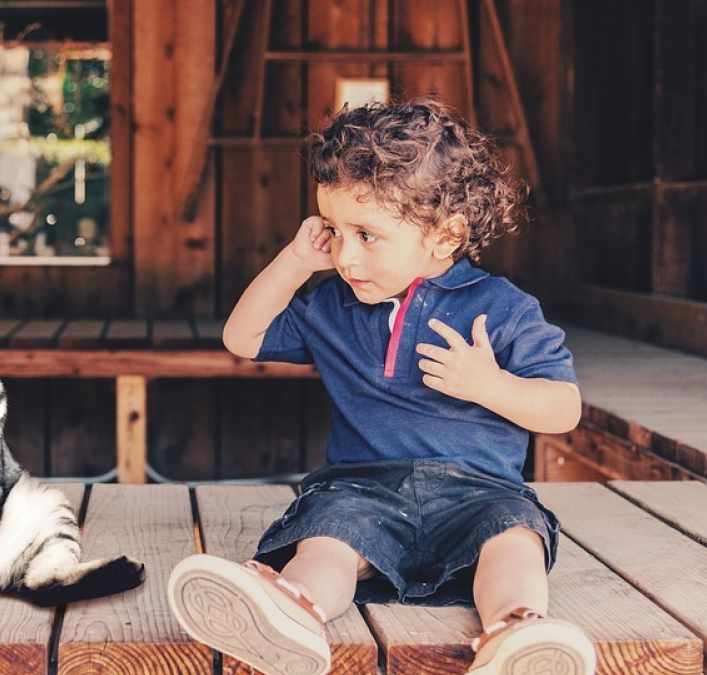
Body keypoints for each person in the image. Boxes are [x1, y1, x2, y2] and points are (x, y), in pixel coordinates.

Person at [167, 99, 597, 675]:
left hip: (480, 494)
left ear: (446, 236)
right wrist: (295, 262)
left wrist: (488, 384)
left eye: (367, 235)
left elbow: (563, 410)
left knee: (514, 537)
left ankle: (516, 634)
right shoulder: (332, 306)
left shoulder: (504, 309)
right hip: (362, 490)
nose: (344, 255)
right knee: (329, 538)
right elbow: (244, 337)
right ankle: (291, 613)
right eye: (333, 230)